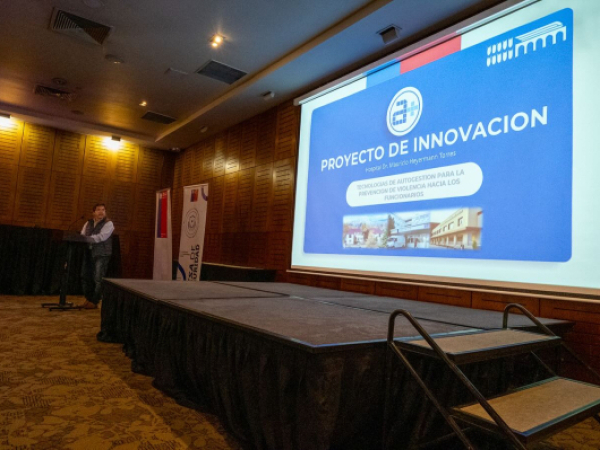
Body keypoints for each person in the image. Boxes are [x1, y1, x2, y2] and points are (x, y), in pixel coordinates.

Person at [80, 203, 114, 309]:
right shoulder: (88, 223)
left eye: (103, 210)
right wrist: (83, 238)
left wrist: (88, 239)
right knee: (86, 276)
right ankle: (88, 298)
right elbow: (82, 234)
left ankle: (95, 300)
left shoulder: (108, 223)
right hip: (89, 252)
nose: (101, 212)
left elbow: (101, 237)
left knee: (98, 278)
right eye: (98, 210)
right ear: (93, 212)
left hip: (102, 253)